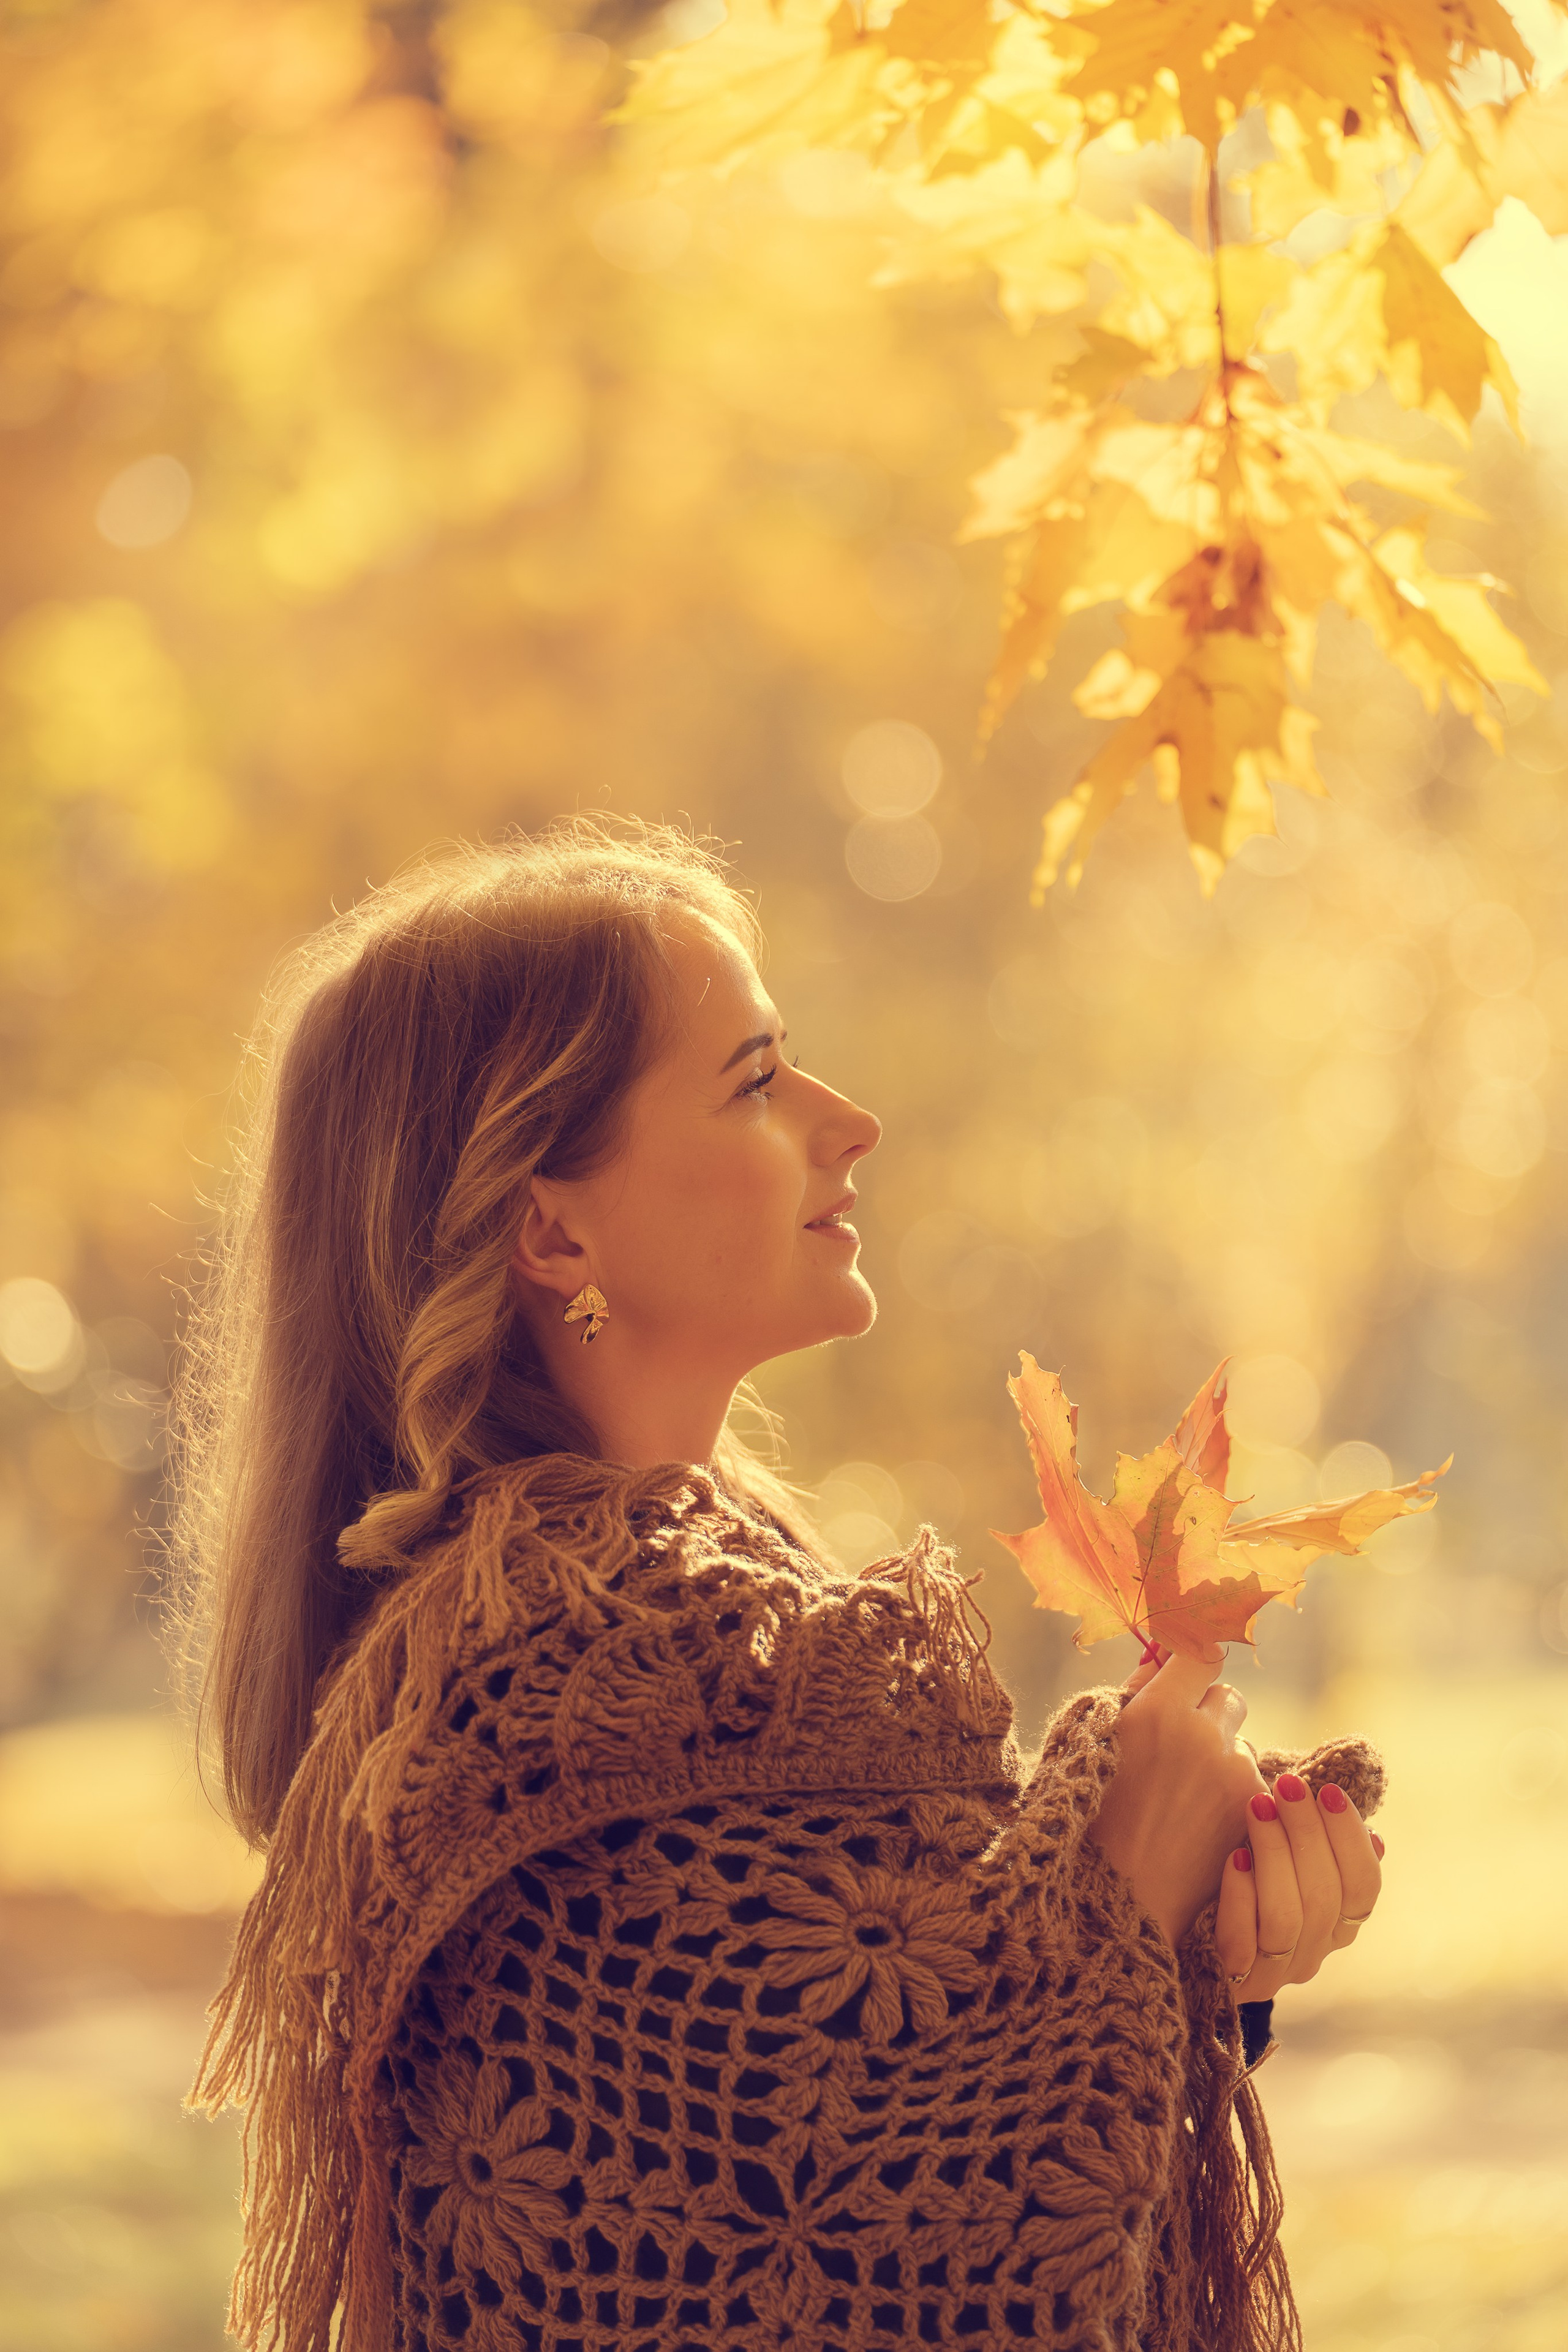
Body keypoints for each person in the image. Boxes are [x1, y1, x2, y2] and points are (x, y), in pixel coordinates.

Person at [171, 821, 1385, 2352]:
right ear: (551, 1228)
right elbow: (875, 2267)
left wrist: (1199, 1961)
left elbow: (873, 2129)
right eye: (754, 1082)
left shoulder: (741, 1651)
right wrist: (1132, 1874)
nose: (849, 1122)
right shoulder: (544, 1709)